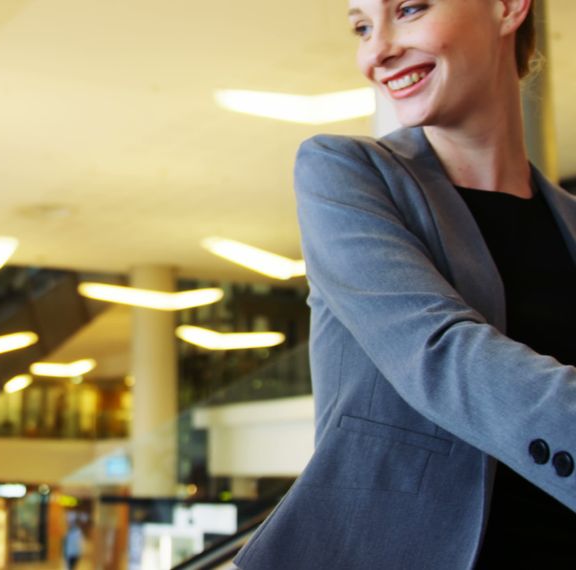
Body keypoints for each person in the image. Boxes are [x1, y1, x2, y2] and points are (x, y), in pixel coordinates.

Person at [234, 1, 576, 568]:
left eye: (410, 9)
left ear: (510, 7)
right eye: (362, 27)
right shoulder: (344, 173)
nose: (376, 51)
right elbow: (439, 350)